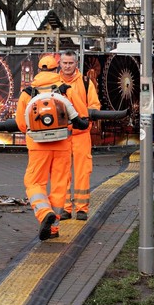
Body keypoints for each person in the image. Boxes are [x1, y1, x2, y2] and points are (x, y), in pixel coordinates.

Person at [15, 55, 89, 241]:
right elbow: (81, 119)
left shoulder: (28, 93)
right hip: (62, 144)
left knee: (33, 183)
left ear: (38, 70)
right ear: (58, 70)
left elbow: (21, 125)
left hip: (38, 146)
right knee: (59, 187)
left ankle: (44, 213)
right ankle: (54, 228)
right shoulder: (66, 91)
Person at [57, 50, 100, 221]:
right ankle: (65, 209)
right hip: (62, 134)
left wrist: (88, 119)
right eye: (65, 63)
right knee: (62, 173)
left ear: (76, 63)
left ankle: (82, 209)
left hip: (81, 133)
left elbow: (94, 105)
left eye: (70, 63)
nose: (67, 66)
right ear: (60, 63)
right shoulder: (53, 82)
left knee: (83, 172)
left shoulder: (85, 82)